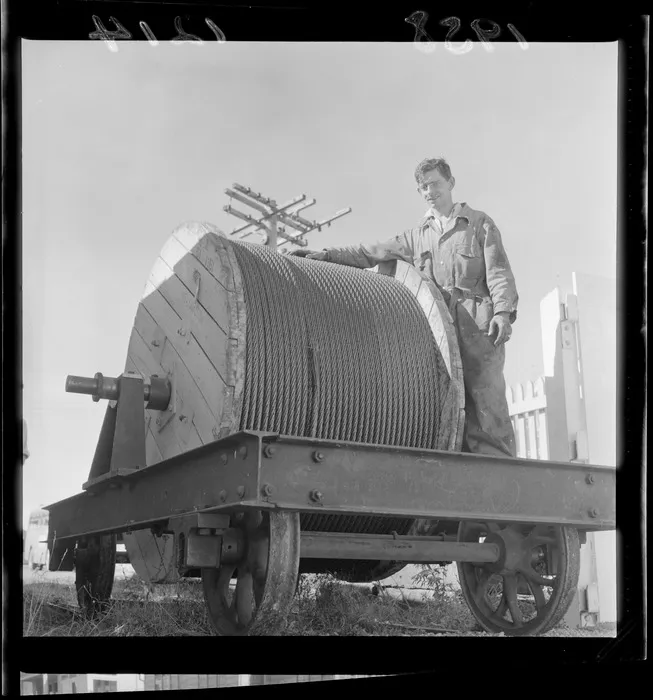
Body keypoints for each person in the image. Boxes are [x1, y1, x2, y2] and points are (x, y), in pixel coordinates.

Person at [291, 157, 518, 458]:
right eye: (422, 187)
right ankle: (460, 468)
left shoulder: (478, 224)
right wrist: (328, 255)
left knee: (487, 401)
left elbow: (499, 271)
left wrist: (502, 313)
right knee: (447, 403)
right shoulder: (416, 237)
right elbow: (371, 252)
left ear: (451, 183)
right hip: (440, 334)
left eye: (434, 183)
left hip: (478, 327)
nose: (429, 191)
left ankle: (499, 471)